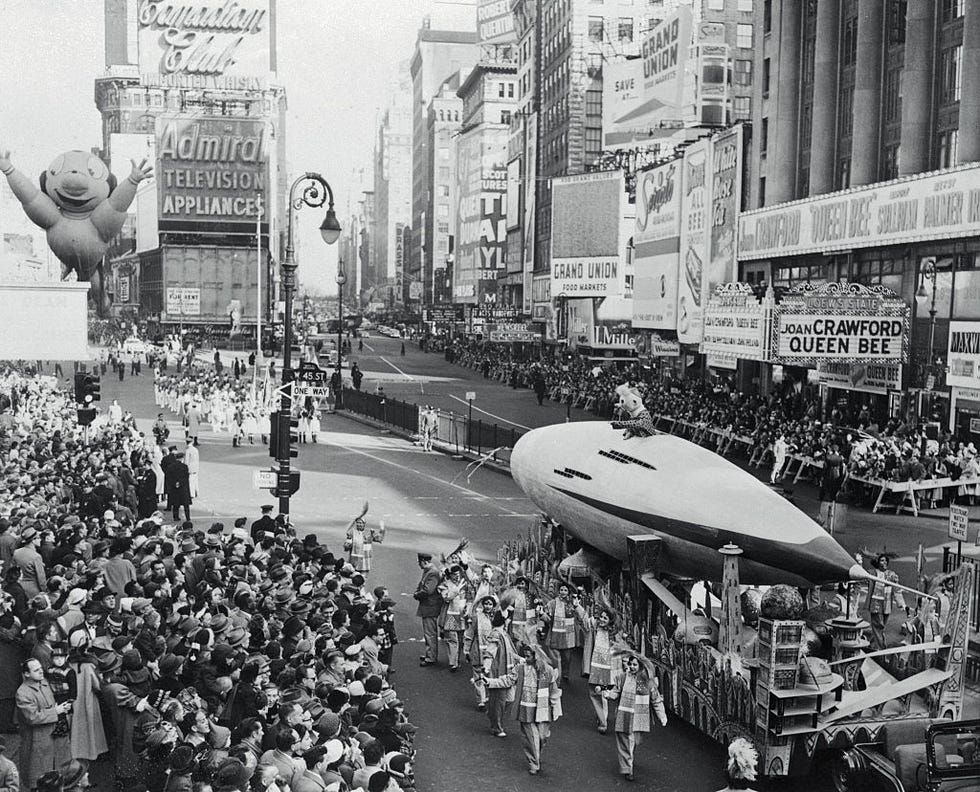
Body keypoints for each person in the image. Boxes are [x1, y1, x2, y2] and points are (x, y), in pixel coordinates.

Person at [490, 641, 562, 776]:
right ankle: (534, 763)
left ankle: (536, 755)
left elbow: (554, 690)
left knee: (542, 736)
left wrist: (555, 706)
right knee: (531, 737)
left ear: (536, 656)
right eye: (525, 656)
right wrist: (490, 682)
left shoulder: (547, 670)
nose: (526, 659)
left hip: (543, 709)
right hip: (526, 707)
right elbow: (507, 680)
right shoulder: (521, 669)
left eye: (529, 656)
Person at [601, 650, 667, 782]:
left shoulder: (648, 682)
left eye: (634, 665)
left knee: (633, 742)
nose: (631, 667)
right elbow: (615, 693)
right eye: (630, 664)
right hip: (623, 716)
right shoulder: (622, 677)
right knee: (625, 741)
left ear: (641, 666)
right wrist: (606, 694)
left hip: (639, 718)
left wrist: (662, 716)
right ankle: (627, 768)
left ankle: (628, 761)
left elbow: (656, 700)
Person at [17, 658, 70, 790]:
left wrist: (61, 708)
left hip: (52, 736)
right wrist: (55, 712)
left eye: (41, 668)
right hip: (37, 741)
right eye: (36, 670)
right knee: (38, 776)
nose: (41, 671)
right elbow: (32, 717)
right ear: (27, 674)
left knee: (54, 770)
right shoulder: (22, 693)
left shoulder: (43, 682)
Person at [865, 553, 907, 651]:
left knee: (881, 627)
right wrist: (859, 562)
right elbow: (862, 576)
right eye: (882, 560)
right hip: (875, 603)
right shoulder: (872, 573)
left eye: (885, 560)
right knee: (878, 626)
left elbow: (896, 589)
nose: (884, 562)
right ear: (878, 562)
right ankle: (880, 648)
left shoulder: (891, 575)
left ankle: (873, 644)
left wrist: (901, 603)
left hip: (886, 604)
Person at [414, 552, 442, 667]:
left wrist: (417, 594)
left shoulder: (432, 573)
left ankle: (431, 657)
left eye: (419, 562)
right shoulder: (429, 571)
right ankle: (429, 654)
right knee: (428, 633)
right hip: (428, 606)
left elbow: (427, 591)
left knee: (430, 633)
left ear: (424, 561)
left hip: (430, 606)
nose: (419, 564)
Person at [344, 503, 385, 574]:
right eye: (358, 523)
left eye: (361, 523)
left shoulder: (369, 533)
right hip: (354, 562)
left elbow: (379, 539)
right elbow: (348, 529)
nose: (359, 524)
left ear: (364, 524)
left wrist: (382, 529)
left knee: (362, 581)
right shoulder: (352, 532)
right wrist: (346, 546)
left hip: (365, 563)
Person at [166, 451, 192, 522]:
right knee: (186, 504)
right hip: (183, 488)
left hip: (174, 488)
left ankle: (176, 517)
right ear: (181, 458)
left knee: (175, 503)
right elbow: (186, 478)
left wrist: (175, 483)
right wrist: (180, 483)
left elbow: (169, 478)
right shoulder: (184, 467)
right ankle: (188, 517)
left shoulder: (170, 467)